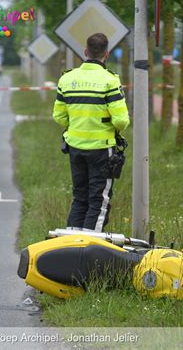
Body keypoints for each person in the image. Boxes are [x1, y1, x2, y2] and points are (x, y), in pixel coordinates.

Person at [53, 33, 129, 232]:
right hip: (102, 150)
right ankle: (87, 252)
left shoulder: (67, 79)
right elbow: (121, 121)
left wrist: (78, 123)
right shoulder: (110, 80)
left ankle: (70, 246)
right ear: (107, 54)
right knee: (99, 201)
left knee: (80, 198)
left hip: (75, 149)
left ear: (85, 52)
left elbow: (59, 117)